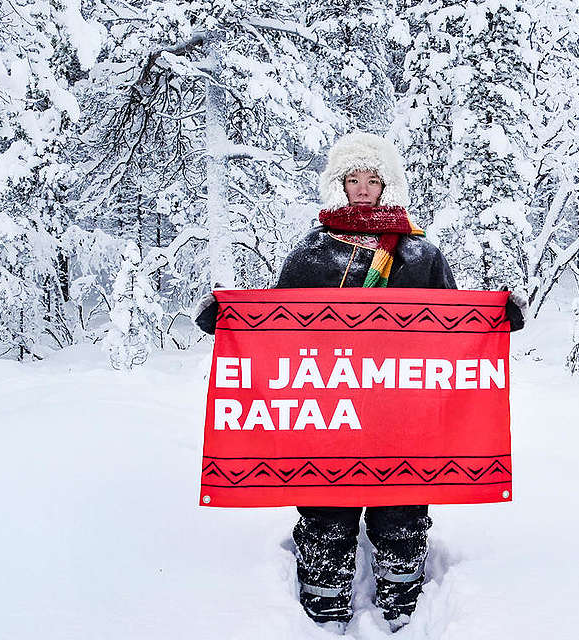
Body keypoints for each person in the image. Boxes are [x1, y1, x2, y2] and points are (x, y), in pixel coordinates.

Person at [194, 132, 525, 630]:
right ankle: (322, 613)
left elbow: (452, 326)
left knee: (402, 510)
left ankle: (402, 609)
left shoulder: (421, 256)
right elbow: (276, 326)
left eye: (373, 179)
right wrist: (230, 317)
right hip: (330, 411)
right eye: (354, 179)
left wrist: (495, 318)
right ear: (338, 184)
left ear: (388, 184)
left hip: (406, 412)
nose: (363, 188)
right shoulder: (311, 255)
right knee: (328, 511)